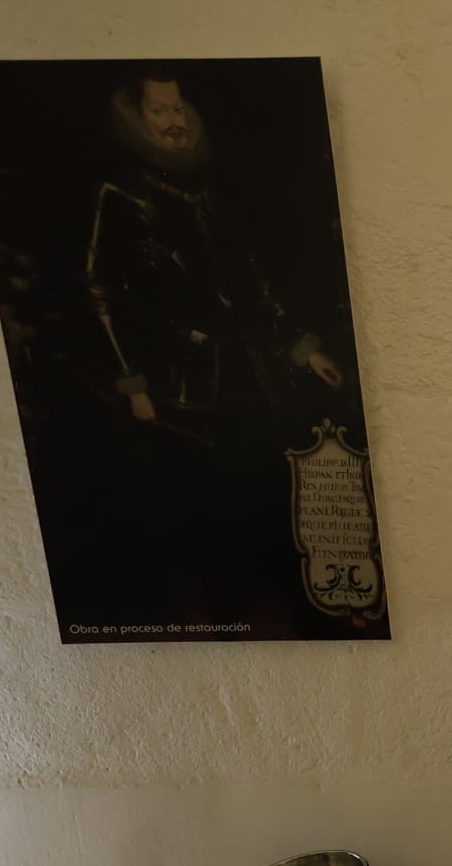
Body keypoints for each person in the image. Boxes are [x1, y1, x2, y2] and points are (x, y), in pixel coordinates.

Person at [82, 69, 348, 622]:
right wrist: (134, 384)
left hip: (250, 371)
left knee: (267, 484)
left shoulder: (208, 186)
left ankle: (281, 603)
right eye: (159, 111)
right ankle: (227, 619)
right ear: (137, 117)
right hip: (181, 383)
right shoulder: (122, 193)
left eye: (178, 109)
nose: (173, 121)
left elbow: (250, 279)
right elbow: (101, 290)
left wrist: (303, 347)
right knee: (205, 506)